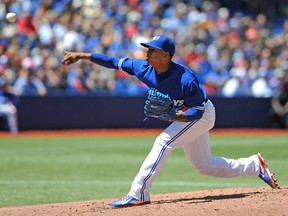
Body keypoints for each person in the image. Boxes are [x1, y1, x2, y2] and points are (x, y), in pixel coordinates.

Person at [61, 35, 279, 208]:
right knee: (205, 166)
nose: (147, 52)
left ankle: (139, 193)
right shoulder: (143, 68)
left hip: (201, 115)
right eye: (148, 48)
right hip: (188, 116)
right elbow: (114, 62)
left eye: (153, 50)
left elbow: (197, 112)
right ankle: (253, 165)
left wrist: (174, 116)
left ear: (166, 55)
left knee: (163, 142)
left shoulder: (186, 79)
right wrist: (82, 55)